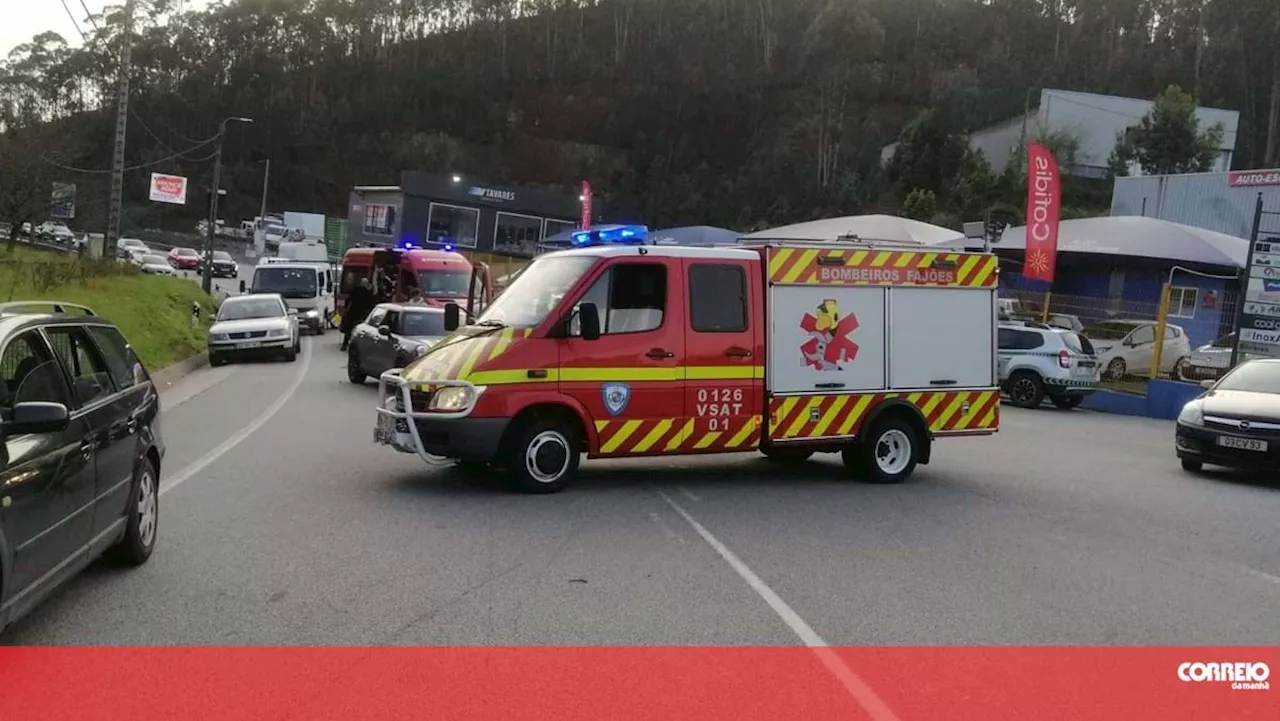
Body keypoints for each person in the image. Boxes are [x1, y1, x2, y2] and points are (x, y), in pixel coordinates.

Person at [340, 277, 375, 351]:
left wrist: (346, 308)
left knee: (348, 329)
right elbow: (371, 303)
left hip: (352, 311)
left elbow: (348, 299)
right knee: (362, 330)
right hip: (362, 313)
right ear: (366, 284)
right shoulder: (367, 292)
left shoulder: (355, 290)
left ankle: (344, 345)